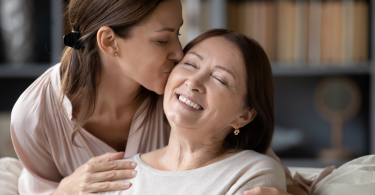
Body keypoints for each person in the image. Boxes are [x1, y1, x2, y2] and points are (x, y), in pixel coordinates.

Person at [10, 0, 305, 194]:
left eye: (178, 34)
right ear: (110, 42)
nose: (179, 53)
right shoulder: (35, 114)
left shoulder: (178, 96)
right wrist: (64, 191)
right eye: (163, 39)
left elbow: (268, 172)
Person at [99, 28, 286, 195]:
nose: (194, 82)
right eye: (190, 64)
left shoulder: (253, 173)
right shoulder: (118, 174)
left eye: (220, 79)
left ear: (244, 116)